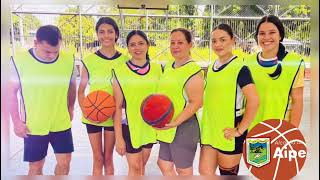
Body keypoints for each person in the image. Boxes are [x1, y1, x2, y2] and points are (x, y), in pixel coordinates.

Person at [8, 25, 76, 175]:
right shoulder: (18, 61)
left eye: (56, 51)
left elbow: (72, 86)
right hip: (34, 125)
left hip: (61, 122)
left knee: (65, 163)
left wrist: (71, 108)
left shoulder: (69, 60)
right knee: (36, 167)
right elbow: (11, 93)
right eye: (47, 51)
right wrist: (17, 122)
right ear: (35, 43)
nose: (52, 55)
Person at [199, 23, 259, 176]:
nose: (217, 44)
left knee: (228, 175)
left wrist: (239, 130)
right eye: (213, 41)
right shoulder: (211, 67)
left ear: (232, 40)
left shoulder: (240, 68)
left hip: (229, 130)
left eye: (223, 39)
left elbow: (254, 100)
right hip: (210, 130)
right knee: (205, 173)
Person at [78, 17, 127, 175]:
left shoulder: (126, 61)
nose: (106, 35)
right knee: (97, 158)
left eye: (110, 32)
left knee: (108, 158)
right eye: (102, 32)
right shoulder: (88, 60)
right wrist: (87, 111)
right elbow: (81, 92)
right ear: (97, 35)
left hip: (114, 116)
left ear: (116, 34)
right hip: (93, 116)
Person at [112, 30, 162, 175]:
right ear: (128, 48)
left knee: (141, 166)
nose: (137, 47)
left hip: (149, 125)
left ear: (147, 45)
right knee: (134, 167)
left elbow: (162, 100)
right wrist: (119, 137)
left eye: (141, 43)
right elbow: (117, 106)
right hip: (129, 126)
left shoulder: (158, 69)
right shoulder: (120, 71)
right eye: (132, 44)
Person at [156, 28, 204, 176]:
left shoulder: (193, 70)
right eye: (172, 43)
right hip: (168, 124)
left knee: (183, 170)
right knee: (164, 164)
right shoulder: (169, 65)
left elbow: (196, 102)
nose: (175, 46)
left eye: (180, 42)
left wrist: (176, 121)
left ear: (190, 45)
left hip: (184, 126)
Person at [246, 15, 305, 129]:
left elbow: (297, 102)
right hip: (253, 133)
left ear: (280, 35)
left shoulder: (294, 63)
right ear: (257, 37)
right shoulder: (247, 63)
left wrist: (291, 133)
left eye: (272, 32)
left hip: (280, 133)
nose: (266, 37)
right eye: (262, 33)